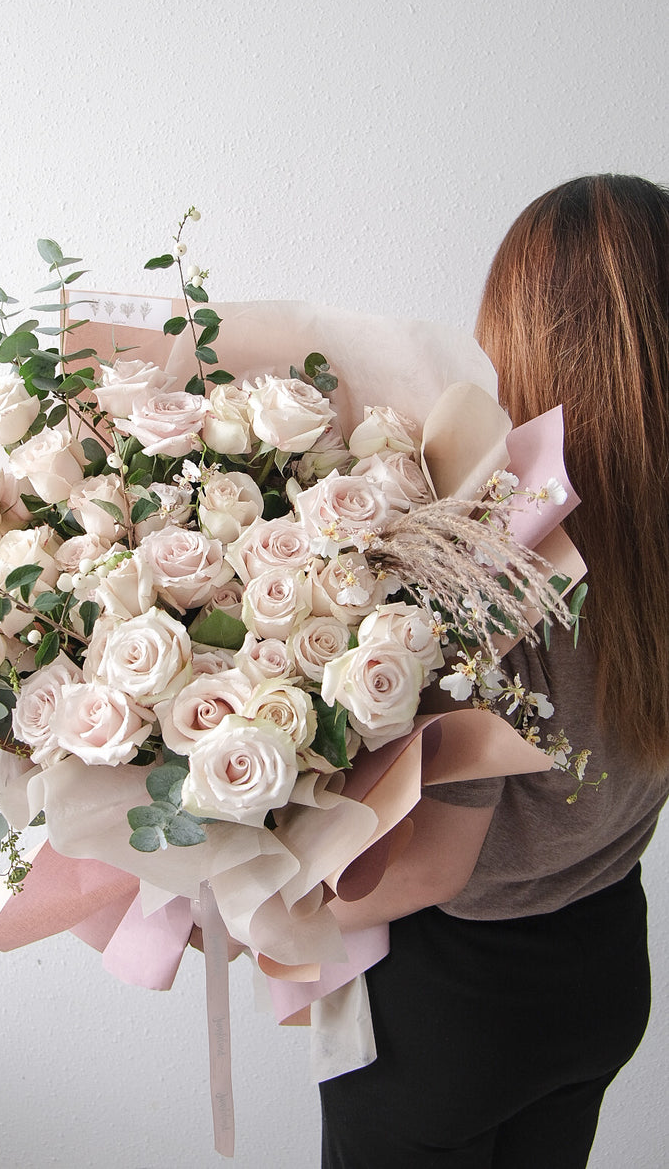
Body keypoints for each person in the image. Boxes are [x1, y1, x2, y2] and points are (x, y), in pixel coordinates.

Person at [319, 174, 669, 1168]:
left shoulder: (502, 547)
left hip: (452, 1009)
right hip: (605, 976)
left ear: (521, 324)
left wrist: (252, 894)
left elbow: (432, 865)